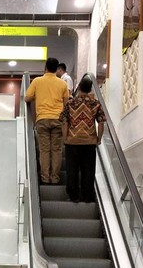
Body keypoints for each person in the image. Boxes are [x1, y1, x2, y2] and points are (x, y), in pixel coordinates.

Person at [59, 74, 106, 203]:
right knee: (88, 170)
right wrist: (99, 139)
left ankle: (73, 196)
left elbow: (64, 121)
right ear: (90, 89)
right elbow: (101, 123)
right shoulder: (95, 104)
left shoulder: (70, 103)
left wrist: (65, 138)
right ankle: (87, 196)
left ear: (78, 87)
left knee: (72, 169)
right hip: (89, 143)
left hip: (72, 142)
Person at [24, 57, 69, 185]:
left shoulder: (37, 81)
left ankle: (45, 178)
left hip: (42, 119)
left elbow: (27, 98)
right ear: (56, 69)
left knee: (44, 150)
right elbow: (66, 104)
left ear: (45, 67)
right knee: (56, 150)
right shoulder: (62, 84)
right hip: (58, 120)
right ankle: (55, 178)